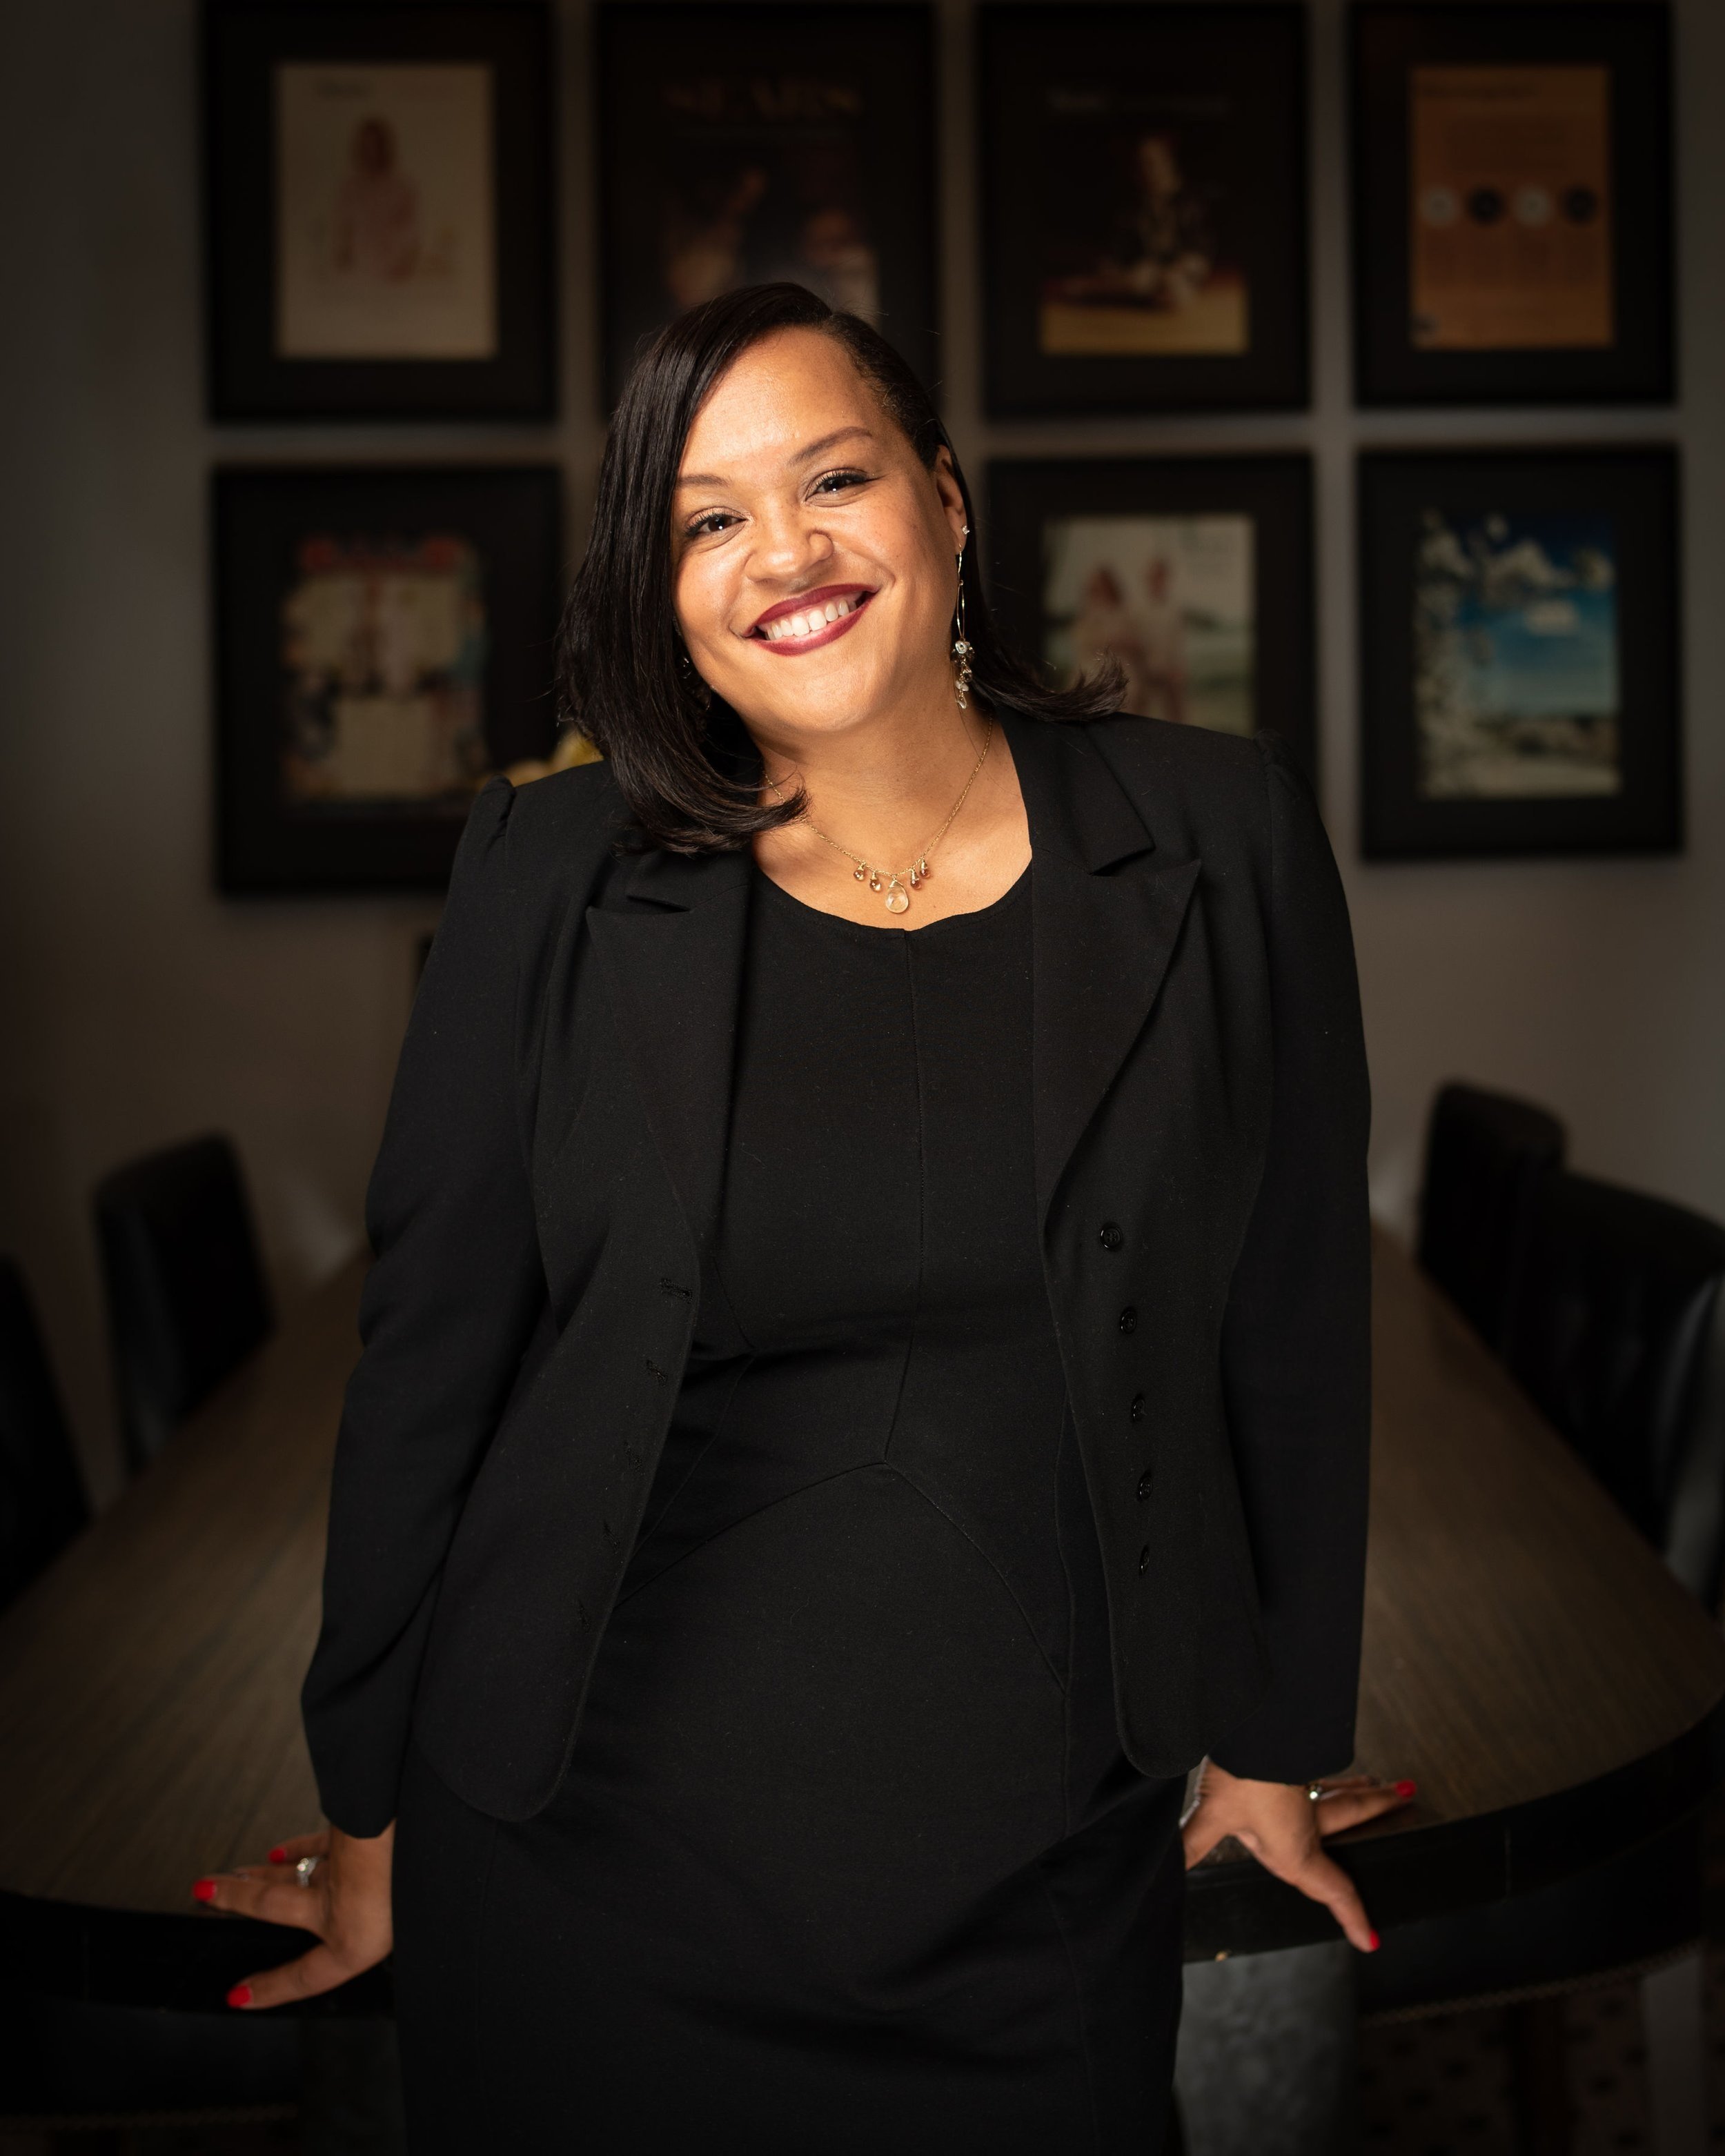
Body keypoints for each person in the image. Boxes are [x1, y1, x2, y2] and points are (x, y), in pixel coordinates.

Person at [195, 282, 1405, 2152]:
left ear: (941, 498)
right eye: (705, 517)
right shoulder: (547, 873)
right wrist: (369, 1814)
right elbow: (430, 1355)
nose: (784, 553)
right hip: (586, 1844)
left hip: (1036, 1854)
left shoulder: (1215, 833)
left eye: (831, 477)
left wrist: (1270, 1738)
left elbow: (1294, 1317)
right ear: (657, 585)